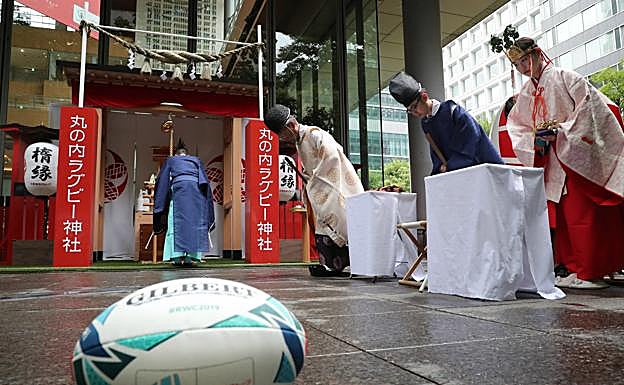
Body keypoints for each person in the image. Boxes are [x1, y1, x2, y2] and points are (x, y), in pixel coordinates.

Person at [498, 31, 624, 288]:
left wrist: (562, 131)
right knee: (564, 217)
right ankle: (574, 269)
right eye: (517, 65)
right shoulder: (525, 93)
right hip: (551, 160)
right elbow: (518, 126)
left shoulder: (565, 77)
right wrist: (533, 141)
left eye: (524, 61)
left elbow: (590, 109)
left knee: (584, 213)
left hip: (575, 156)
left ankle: (591, 270)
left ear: (536, 54)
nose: (523, 68)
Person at [264, 104, 364, 277]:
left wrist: (314, 181)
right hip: (321, 189)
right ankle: (333, 266)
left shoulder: (315, 134)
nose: (283, 138)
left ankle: (357, 263)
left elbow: (333, 156)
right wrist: (310, 181)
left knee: (341, 221)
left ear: (291, 126)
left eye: (282, 134)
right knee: (323, 227)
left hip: (338, 186)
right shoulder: (300, 142)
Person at [389, 72, 503, 174]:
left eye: (414, 107)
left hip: (485, 170)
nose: (414, 113)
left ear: (424, 96)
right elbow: (437, 156)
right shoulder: (426, 123)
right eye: (410, 110)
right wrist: (439, 170)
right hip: (459, 174)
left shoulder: (453, 112)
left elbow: (471, 145)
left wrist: (448, 167)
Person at [154, 139, 215, 266]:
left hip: (179, 190)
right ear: (186, 154)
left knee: (175, 222)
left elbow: (162, 180)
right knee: (194, 223)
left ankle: (176, 257)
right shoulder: (196, 160)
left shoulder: (171, 160)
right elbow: (205, 181)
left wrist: (161, 201)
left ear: (177, 154)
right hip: (196, 192)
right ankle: (191, 258)